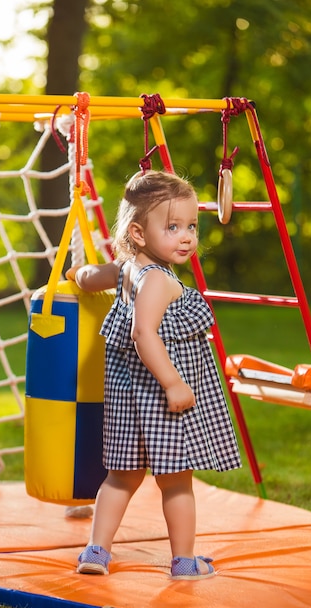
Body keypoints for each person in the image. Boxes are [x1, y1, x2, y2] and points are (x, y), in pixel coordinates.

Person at [66, 170, 241, 580]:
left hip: (127, 401)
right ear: (139, 234)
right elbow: (143, 333)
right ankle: (183, 561)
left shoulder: (126, 269)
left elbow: (94, 277)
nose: (187, 237)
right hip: (162, 402)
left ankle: (96, 550)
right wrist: (173, 382)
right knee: (177, 484)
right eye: (174, 227)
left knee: (120, 478)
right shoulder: (160, 281)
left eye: (192, 226)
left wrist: (76, 274)